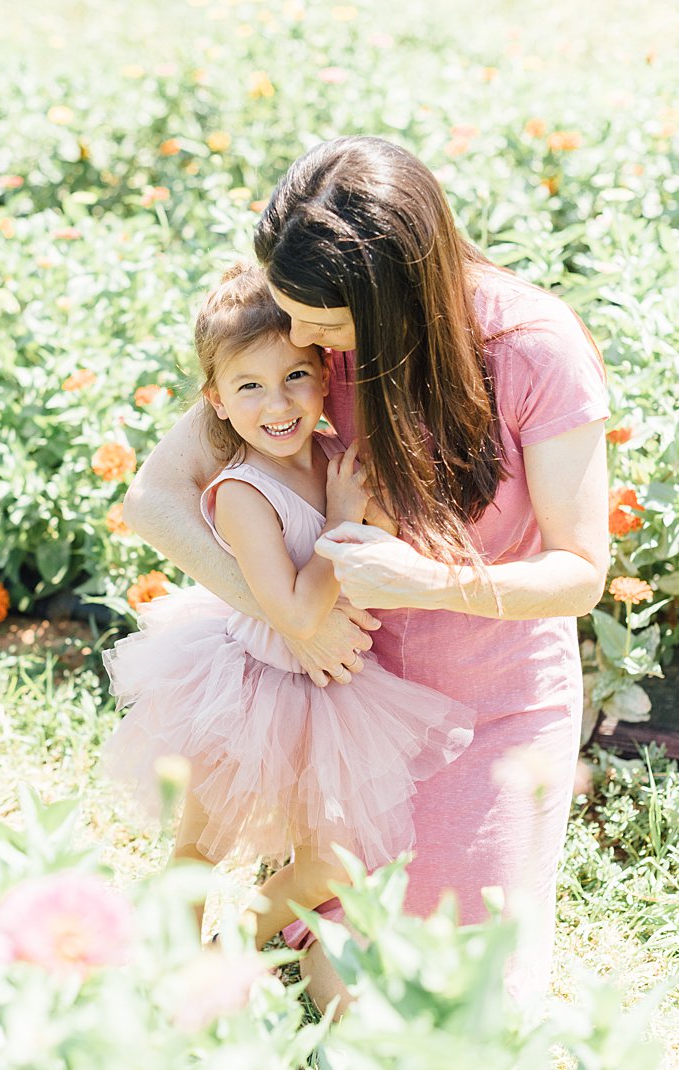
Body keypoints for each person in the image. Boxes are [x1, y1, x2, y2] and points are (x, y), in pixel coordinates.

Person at [124, 136, 608, 1003]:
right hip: (353, 708)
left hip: (492, 708)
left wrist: (436, 584)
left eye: (322, 326)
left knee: (456, 1010)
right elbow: (156, 498)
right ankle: (259, 950)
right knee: (351, 997)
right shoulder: (301, 339)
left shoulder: (532, 348)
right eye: (289, 311)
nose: (302, 341)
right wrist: (288, 620)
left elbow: (581, 572)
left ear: (394, 291)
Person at [104, 264, 474, 945]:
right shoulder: (244, 493)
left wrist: (372, 507)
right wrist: (340, 515)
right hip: (247, 688)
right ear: (215, 401)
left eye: (295, 378)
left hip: (329, 693)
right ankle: (179, 973)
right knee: (201, 850)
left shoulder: (333, 454)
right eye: (250, 387)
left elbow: (372, 554)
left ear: (324, 377)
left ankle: (235, 944)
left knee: (332, 863)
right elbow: (299, 614)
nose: (278, 406)